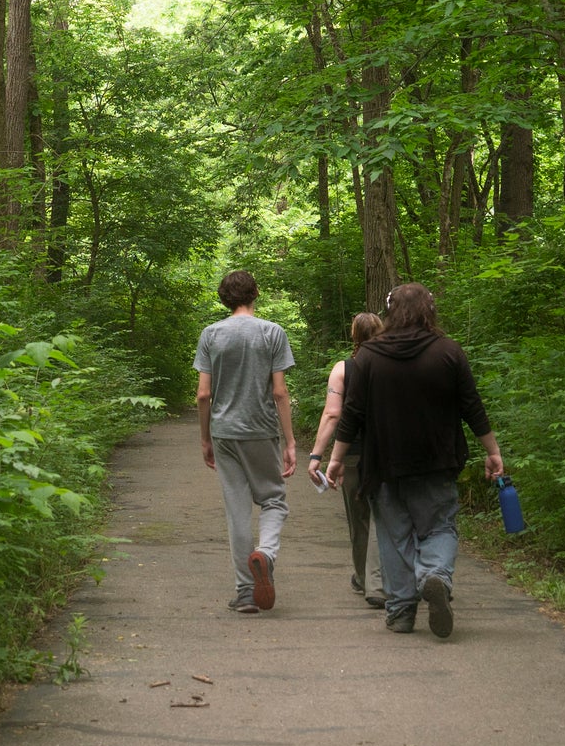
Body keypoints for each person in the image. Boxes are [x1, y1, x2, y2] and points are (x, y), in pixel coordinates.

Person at [324, 282, 502, 639]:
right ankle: (435, 575)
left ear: (390, 312)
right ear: (430, 310)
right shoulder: (449, 352)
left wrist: (335, 458)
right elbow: (472, 406)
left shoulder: (369, 356)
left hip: (385, 465)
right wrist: (492, 451)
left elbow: (352, 414)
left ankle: (402, 612)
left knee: (394, 536)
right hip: (438, 461)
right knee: (438, 527)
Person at [195, 269, 297, 614]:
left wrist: (205, 438)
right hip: (261, 428)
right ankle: (265, 554)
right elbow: (280, 392)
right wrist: (290, 441)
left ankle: (245, 592)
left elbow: (203, 394)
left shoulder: (210, 335)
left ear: (224, 298)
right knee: (274, 500)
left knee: (237, 509)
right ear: (256, 293)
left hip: (224, 431)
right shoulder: (272, 332)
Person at [306, 311, 387, 608]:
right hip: (388, 452)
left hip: (352, 453)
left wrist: (318, 455)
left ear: (353, 336)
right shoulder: (393, 364)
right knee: (385, 516)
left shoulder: (343, 369)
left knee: (359, 519)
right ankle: (381, 582)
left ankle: (365, 578)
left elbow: (332, 414)